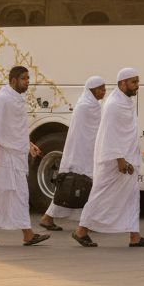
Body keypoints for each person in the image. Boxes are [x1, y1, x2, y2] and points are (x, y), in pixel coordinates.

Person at [74, 68, 144, 248]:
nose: (137, 86)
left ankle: (135, 236)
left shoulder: (125, 102)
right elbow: (110, 134)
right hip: (115, 161)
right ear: (121, 83)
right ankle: (81, 230)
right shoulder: (114, 104)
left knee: (131, 196)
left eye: (137, 82)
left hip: (127, 158)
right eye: (133, 82)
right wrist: (120, 159)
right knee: (101, 196)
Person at [0, 66, 48, 246]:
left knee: (0, 195)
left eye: (28, 78)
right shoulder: (3, 99)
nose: (28, 82)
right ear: (14, 81)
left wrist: (29, 145)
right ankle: (27, 234)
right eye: (24, 78)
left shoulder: (17, 98)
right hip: (4, 156)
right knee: (15, 194)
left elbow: (13, 128)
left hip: (15, 155)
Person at [40, 75, 105, 231]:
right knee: (75, 187)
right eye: (100, 88)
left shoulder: (92, 105)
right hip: (82, 153)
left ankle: (83, 221)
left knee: (84, 188)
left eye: (103, 88)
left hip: (88, 151)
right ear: (92, 90)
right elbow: (91, 131)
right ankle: (51, 218)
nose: (103, 91)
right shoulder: (85, 106)